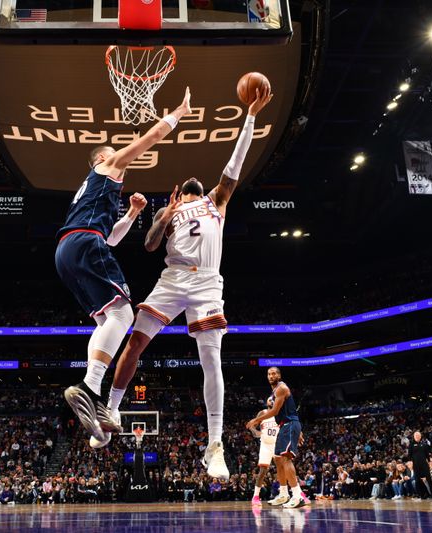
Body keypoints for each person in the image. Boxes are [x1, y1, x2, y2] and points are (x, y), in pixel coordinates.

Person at [100, 85, 274, 480]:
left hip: (208, 284)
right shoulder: (169, 210)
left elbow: (236, 163)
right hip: (172, 277)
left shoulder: (217, 200)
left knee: (210, 359)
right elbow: (147, 246)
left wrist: (250, 117)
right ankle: (110, 408)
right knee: (136, 341)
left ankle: (215, 445)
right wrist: (163, 217)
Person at [58, 87, 192, 443]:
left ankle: (94, 397)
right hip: (84, 243)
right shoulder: (108, 166)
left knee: (106, 319)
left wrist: (132, 212)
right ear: (101, 158)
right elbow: (149, 138)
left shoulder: (96, 189)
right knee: (123, 316)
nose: (117, 154)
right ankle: (89, 388)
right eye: (111, 151)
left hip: (70, 249)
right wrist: (178, 113)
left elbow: (112, 239)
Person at [245, 366, 306, 508]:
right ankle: (284, 494)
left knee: (285, 459)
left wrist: (256, 420)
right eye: (269, 374)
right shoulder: (274, 392)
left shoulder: (281, 388)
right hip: (284, 426)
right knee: (278, 460)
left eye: (274, 373)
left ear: (279, 375)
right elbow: (287, 410)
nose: (271, 376)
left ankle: (297, 496)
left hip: (289, 425)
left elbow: (275, 411)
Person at [249, 380, 280, 505]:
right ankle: (255, 497)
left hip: (277, 444)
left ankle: (289, 493)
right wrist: (254, 432)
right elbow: (252, 424)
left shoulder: (279, 414)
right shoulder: (263, 413)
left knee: (284, 469)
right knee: (263, 471)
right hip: (266, 445)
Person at [407, 431, 432, 499]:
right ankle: (421, 495)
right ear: (414, 437)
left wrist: (429, 461)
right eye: (416, 436)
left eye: (418, 436)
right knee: (417, 480)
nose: (417, 437)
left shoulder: (424, 444)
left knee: (429, 479)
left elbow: (427, 455)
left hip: (424, 465)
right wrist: (411, 462)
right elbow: (409, 455)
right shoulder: (411, 445)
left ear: (420, 437)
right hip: (416, 465)